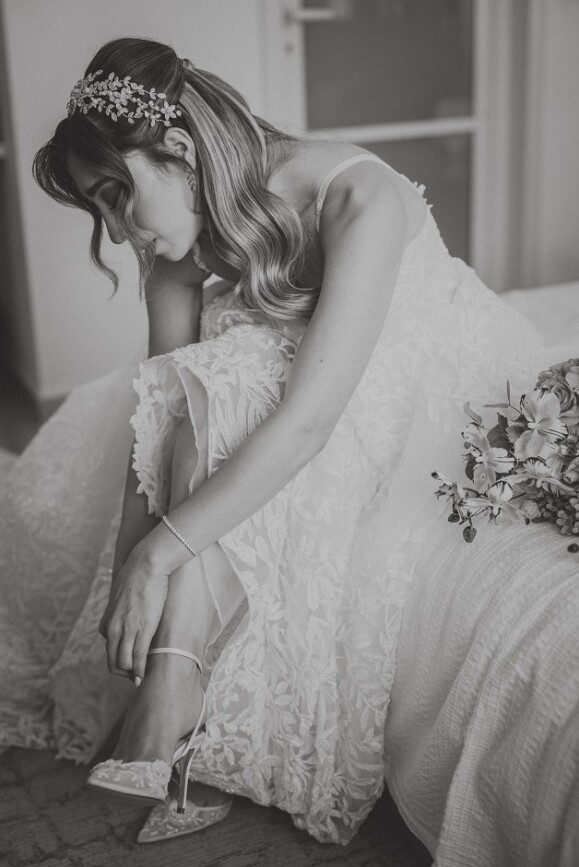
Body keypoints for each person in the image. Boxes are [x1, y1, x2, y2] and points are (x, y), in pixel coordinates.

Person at [0, 36, 541, 845]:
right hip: (279, 395)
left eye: (116, 195)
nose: (116, 231)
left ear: (178, 147)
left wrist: (157, 559)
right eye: (97, 209)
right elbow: (160, 411)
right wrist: (129, 560)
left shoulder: (355, 197)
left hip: (420, 385)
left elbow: (308, 422)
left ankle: (173, 692)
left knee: (239, 378)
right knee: (212, 383)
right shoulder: (180, 243)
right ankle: (172, 686)